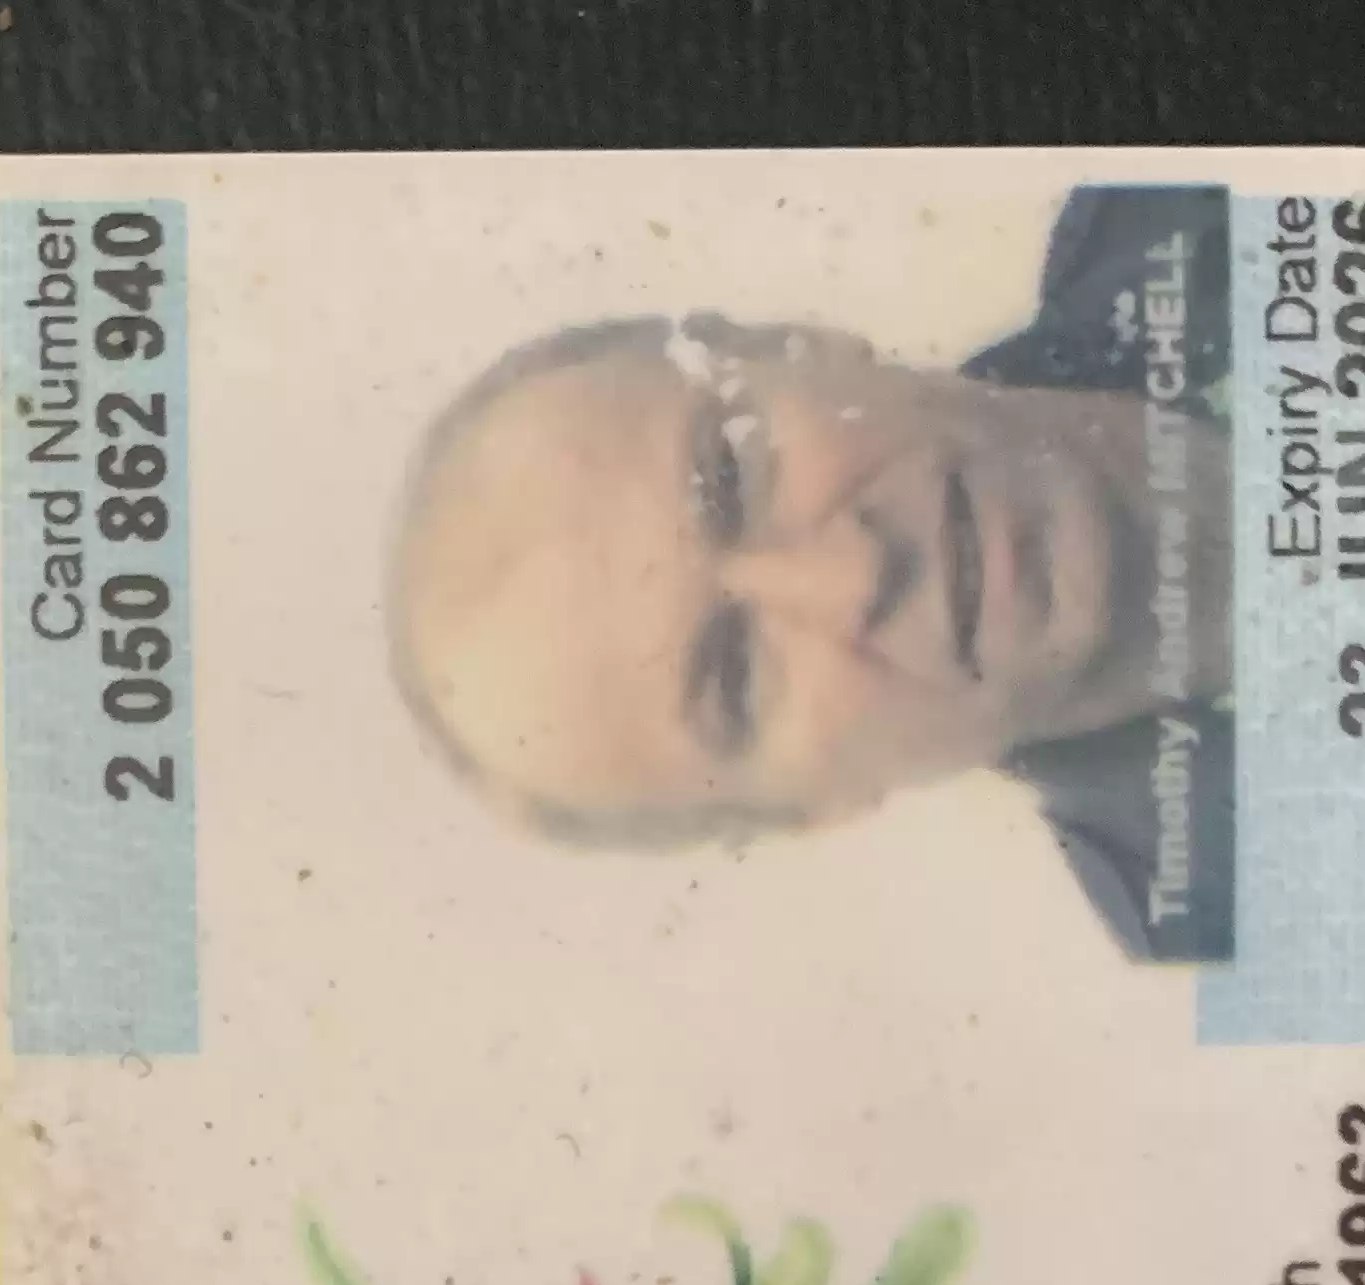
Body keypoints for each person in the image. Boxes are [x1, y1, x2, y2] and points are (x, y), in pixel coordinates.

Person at [388, 188, 1237, 960]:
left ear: (802, 344)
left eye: (731, 475)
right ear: (817, 808)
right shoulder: (1239, 941)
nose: (852, 573)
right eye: (738, 677)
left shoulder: (1212, 193)